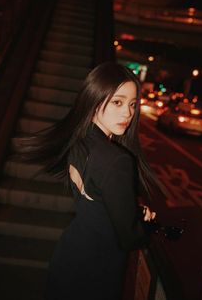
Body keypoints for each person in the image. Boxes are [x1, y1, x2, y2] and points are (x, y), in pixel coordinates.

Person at [17, 62, 156, 300]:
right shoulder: (116, 160)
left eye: (133, 105)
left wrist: (130, 210)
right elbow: (130, 237)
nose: (128, 113)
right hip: (96, 270)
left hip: (69, 256)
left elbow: (98, 200)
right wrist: (149, 225)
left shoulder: (78, 140)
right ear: (94, 98)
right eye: (117, 102)